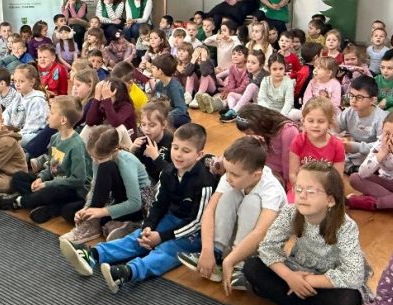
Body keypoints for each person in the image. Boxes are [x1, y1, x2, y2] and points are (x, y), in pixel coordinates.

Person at [59, 123, 216, 293]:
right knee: (139, 237)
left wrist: (162, 236)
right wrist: (149, 225)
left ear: (199, 155)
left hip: (194, 231)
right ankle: (93, 255)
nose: (178, 154)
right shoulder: (168, 172)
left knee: (167, 250)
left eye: (186, 151)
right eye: (175, 148)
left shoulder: (204, 182)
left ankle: (127, 272)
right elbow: (158, 205)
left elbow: (198, 221)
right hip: (171, 218)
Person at [244, 161, 371, 305]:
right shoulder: (291, 212)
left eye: (311, 191)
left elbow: (353, 274)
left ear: (330, 199)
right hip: (297, 270)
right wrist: (290, 277)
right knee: (252, 266)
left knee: (348, 300)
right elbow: (267, 247)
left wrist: (303, 281)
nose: (302, 196)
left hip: (326, 281)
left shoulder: (345, 226)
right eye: (299, 189)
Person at [179, 136, 286, 293]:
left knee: (252, 202)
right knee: (230, 194)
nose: (228, 177)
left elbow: (260, 232)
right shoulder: (231, 176)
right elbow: (209, 210)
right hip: (237, 239)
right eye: (227, 171)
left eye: (234, 174)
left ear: (256, 175)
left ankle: (240, 265)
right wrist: (207, 250)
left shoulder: (271, 190)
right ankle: (217, 255)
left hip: (262, 246)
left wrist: (232, 260)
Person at [0, 96, 92, 223]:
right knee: (19, 177)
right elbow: (51, 164)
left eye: (52, 113)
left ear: (63, 120)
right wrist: (41, 178)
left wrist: (46, 184)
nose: (48, 116)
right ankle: (45, 205)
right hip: (54, 181)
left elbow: (78, 180)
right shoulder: (55, 138)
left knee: (49, 192)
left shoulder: (76, 145)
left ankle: (18, 201)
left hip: (73, 190)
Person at [235, 104, 300, 195]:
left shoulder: (288, 131)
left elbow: (288, 164)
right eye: (245, 133)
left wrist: (286, 187)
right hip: (259, 169)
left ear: (259, 124)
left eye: (249, 132)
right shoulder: (258, 132)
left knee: (249, 190)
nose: (247, 135)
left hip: (276, 176)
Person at [289, 97, 345, 185]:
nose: (315, 125)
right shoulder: (298, 141)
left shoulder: (337, 145)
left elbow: (338, 179)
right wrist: (303, 190)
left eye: (321, 121)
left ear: (329, 123)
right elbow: (293, 174)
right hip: (301, 185)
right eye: (310, 121)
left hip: (326, 188)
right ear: (303, 121)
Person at [337, 76, 387, 174]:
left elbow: (381, 145)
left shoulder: (381, 119)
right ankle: (352, 168)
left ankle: (351, 168)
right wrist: (334, 136)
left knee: (382, 156)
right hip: (353, 151)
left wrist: (355, 147)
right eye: (351, 95)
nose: (353, 100)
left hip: (369, 151)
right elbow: (335, 127)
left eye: (359, 97)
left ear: (372, 100)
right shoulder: (349, 112)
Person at [2, 63, 49, 146]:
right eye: (15, 81)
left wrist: (14, 134)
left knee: (14, 141)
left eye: (21, 81)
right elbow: (7, 112)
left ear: (32, 82)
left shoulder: (37, 100)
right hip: (17, 131)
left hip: (33, 134)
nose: (17, 84)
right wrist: (4, 126)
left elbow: (33, 126)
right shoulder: (18, 95)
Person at [130, 101, 173, 186]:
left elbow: (173, 174)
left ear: (163, 124)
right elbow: (135, 166)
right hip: (147, 179)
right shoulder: (142, 140)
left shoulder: (172, 142)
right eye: (143, 124)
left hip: (163, 184)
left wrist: (156, 157)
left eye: (152, 125)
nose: (146, 129)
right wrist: (132, 150)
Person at [220, 49, 266, 123]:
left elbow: (252, 91)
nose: (249, 65)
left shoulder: (263, 75)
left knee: (252, 86)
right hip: (253, 102)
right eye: (248, 62)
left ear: (261, 65)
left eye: (253, 63)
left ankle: (234, 111)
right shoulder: (249, 72)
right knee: (231, 94)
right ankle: (233, 112)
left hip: (261, 105)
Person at [151, 54, 190, 129]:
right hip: (165, 114)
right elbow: (155, 101)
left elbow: (181, 109)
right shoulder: (159, 84)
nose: (151, 70)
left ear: (160, 71)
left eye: (153, 68)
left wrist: (164, 116)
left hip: (180, 118)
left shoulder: (174, 87)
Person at [256, 53, 299, 120]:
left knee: (296, 113)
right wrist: (269, 112)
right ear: (269, 69)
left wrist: (280, 116)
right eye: (274, 69)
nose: (278, 72)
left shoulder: (288, 82)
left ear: (285, 68)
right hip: (268, 111)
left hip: (284, 112)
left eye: (281, 69)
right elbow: (261, 99)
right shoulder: (265, 81)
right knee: (254, 109)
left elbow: (289, 102)